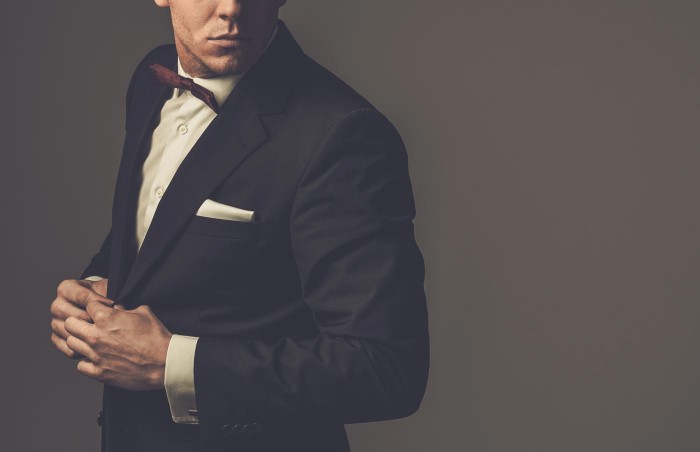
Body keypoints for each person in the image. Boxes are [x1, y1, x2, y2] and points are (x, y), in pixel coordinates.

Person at [49, 1, 429, 451]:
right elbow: (159, 225)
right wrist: (96, 287)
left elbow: (386, 368)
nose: (232, 8)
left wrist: (171, 364)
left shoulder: (344, 134)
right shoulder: (150, 80)